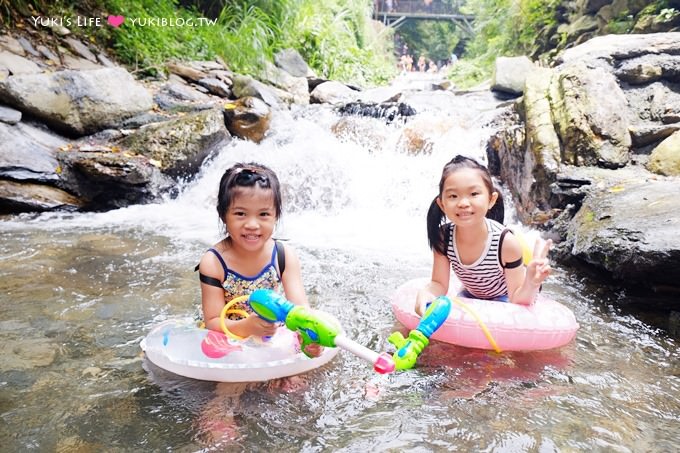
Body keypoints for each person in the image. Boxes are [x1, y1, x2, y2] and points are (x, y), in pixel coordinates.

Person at [197, 162, 321, 355]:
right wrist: (247, 326)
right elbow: (212, 321)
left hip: (271, 332)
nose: (252, 225)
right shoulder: (213, 262)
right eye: (240, 214)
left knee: (295, 380)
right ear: (223, 215)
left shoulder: (284, 256)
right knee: (230, 383)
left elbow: (300, 311)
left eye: (263, 214)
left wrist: (310, 340)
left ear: (276, 215)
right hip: (229, 333)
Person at [415, 155, 551, 315]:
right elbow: (439, 283)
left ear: (491, 200)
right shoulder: (443, 237)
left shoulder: (506, 243)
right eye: (453, 196)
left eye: (474, 194)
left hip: (506, 299)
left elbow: (517, 298)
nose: (463, 203)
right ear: (441, 204)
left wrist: (531, 283)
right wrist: (427, 294)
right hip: (471, 295)